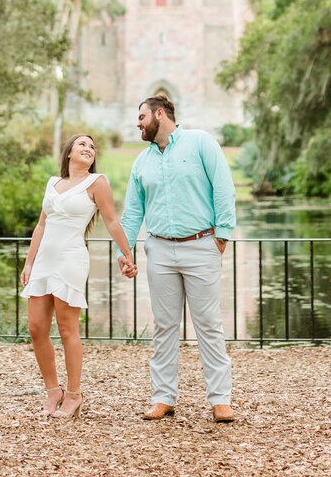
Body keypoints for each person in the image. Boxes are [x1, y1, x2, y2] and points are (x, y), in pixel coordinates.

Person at [118, 96, 236, 423]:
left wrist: (222, 236)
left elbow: (224, 188)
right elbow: (132, 214)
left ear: (159, 114)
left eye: (141, 116)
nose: (138, 123)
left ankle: (220, 400)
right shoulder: (141, 161)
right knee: (165, 326)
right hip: (159, 250)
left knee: (208, 325)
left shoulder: (201, 142)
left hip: (201, 245)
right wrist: (124, 253)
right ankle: (163, 398)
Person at [20, 133, 137, 419]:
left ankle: (74, 394)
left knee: (67, 327)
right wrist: (29, 262)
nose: (89, 149)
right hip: (44, 260)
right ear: (69, 152)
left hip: (71, 258)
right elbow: (41, 225)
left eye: (92, 147)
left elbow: (111, 220)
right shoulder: (52, 183)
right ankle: (53, 391)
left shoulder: (98, 183)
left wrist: (127, 254)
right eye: (82, 144)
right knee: (36, 328)